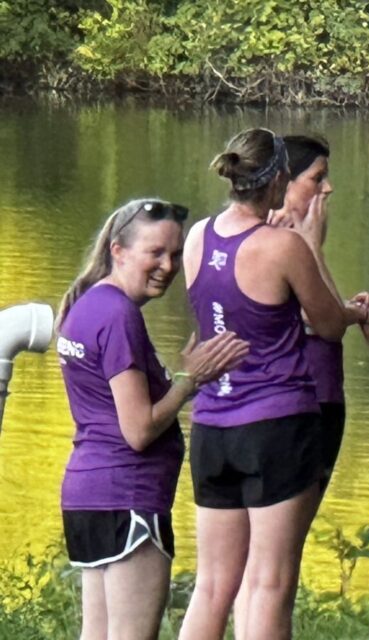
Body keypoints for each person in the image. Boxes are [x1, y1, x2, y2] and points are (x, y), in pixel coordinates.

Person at [177, 128, 369, 640]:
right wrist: (352, 303)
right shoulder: (283, 246)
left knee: (211, 587)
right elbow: (328, 324)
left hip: (212, 425)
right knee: (268, 583)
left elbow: (219, 312)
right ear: (276, 179)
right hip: (274, 425)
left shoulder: (196, 237)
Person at [56, 198, 249, 640]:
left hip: (89, 495)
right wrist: (190, 381)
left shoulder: (87, 304)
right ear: (118, 250)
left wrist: (179, 377)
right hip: (127, 498)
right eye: (155, 253)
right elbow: (139, 429)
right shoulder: (118, 315)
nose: (168, 265)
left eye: (176, 254)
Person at [267, 134, 369, 493]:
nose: (329, 188)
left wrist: (354, 311)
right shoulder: (274, 235)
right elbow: (323, 323)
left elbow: (322, 310)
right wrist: (350, 315)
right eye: (317, 178)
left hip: (319, 393)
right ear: (283, 182)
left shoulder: (301, 232)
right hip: (301, 399)